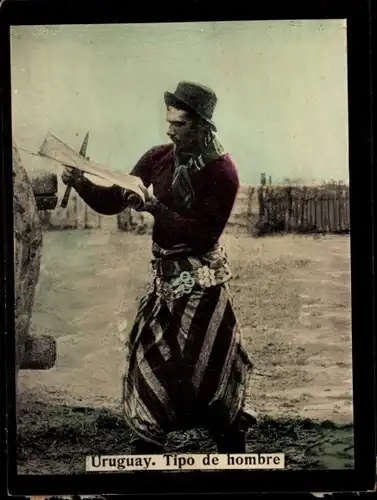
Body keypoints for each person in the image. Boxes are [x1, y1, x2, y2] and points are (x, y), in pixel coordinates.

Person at [62, 81, 256, 454]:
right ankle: (148, 447)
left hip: (203, 292)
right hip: (163, 287)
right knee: (150, 361)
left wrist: (155, 209)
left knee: (209, 372)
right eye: (169, 122)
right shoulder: (157, 158)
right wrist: (82, 182)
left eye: (179, 124)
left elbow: (202, 236)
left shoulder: (222, 172)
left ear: (202, 126)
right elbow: (111, 201)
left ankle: (232, 448)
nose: (170, 130)